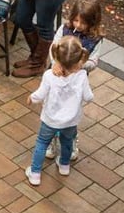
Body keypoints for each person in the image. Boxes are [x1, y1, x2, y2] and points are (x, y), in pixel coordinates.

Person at [24, 35, 94, 186]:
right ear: (79, 59)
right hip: (71, 121)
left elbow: (40, 94)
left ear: (56, 57)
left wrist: (32, 98)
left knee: (42, 143)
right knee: (67, 142)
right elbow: (89, 97)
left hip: (50, 120)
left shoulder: (49, 75)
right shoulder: (82, 76)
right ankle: (64, 166)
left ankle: (35, 173)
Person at [45, 0, 104, 163]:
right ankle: (50, 139)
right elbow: (54, 46)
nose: (78, 25)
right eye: (76, 20)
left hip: (75, 85)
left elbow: (94, 61)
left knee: (70, 114)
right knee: (51, 108)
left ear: (93, 22)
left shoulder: (95, 39)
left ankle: (71, 140)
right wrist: (56, 62)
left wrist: (80, 66)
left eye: (83, 22)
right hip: (56, 80)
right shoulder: (64, 29)